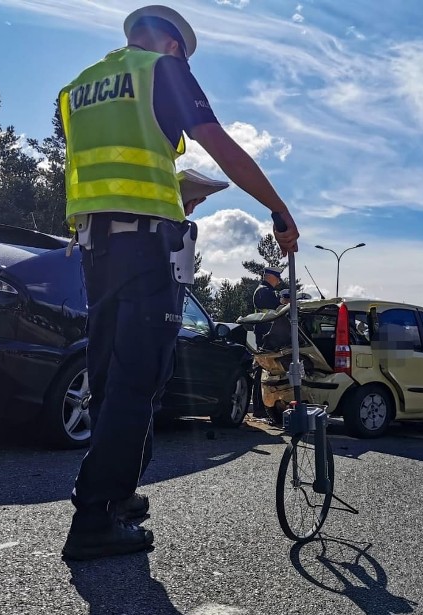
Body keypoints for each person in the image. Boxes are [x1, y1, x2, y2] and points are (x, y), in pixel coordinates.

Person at [59, 4, 299, 561]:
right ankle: (95, 512)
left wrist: (175, 195)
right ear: (173, 48)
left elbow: (106, 170)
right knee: (138, 379)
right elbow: (220, 144)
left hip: (95, 247)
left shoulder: (81, 87)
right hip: (144, 248)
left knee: (108, 372)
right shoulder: (161, 72)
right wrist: (279, 210)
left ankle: (118, 492)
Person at [250, 267, 282, 418]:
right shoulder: (264, 291)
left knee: (266, 371)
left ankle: (263, 406)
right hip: (265, 335)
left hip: (266, 334)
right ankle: (259, 407)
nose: (279, 281)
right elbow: (276, 309)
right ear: (270, 277)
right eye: (277, 278)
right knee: (262, 371)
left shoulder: (265, 291)